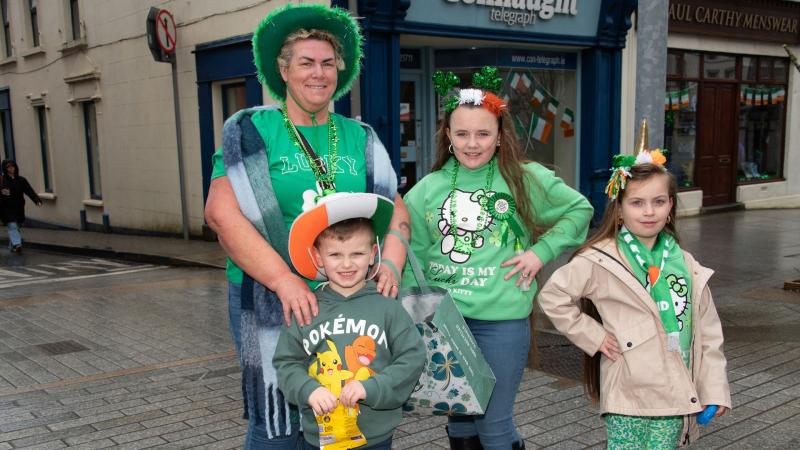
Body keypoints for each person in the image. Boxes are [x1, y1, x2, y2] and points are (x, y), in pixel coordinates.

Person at [203, 4, 409, 449]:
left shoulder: (362, 136)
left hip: (354, 297)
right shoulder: (253, 131)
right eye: (306, 62)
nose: (319, 73)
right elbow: (221, 214)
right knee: (277, 422)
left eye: (328, 63)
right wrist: (283, 281)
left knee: (354, 407)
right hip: (271, 296)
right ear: (283, 71)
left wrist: (390, 263)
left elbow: (397, 212)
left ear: (341, 70)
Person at [401, 67, 593, 450]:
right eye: (462, 134)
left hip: (501, 324)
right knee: (459, 423)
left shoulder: (526, 178)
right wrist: (410, 316)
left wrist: (541, 253)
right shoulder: (427, 189)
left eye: (483, 134)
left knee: (493, 426)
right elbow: (411, 254)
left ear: (500, 136)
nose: (473, 144)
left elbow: (579, 210)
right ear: (448, 137)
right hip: (445, 323)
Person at [537, 126, 731, 449]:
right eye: (637, 202)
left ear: (671, 205)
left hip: (674, 395)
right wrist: (594, 336)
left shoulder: (685, 263)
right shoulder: (602, 258)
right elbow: (552, 296)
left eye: (658, 201)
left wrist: (714, 388)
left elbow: (708, 333)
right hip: (627, 395)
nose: (649, 211)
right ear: (620, 208)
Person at [274, 192, 425, 450]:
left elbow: (412, 358)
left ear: (372, 254)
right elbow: (286, 363)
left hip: (375, 435)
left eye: (356, 253)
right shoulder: (306, 307)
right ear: (318, 257)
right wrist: (309, 389)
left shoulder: (387, 306)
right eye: (335, 255)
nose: (346, 264)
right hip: (321, 434)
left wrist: (372, 387)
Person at [1, 160, 42, 253]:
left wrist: (37, 200)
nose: (11, 169)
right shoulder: (2, 181)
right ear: (5, 169)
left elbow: (29, 191)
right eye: (8, 167)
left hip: (19, 207)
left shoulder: (21, 180)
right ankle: (17, 244)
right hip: (6, 209)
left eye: (12, 167)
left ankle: (13, 246)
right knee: (12, 226)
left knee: (17, 226)